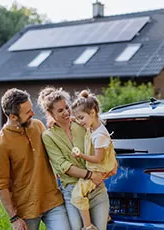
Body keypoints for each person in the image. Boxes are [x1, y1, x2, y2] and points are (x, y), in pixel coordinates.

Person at [0, 88, 70, 230]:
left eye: (31, 109)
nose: (33, 113)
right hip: (26, 210)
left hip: (52, 200)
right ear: (13, 116)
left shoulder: (38, 125)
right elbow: (1, 186)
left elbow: (55, 154)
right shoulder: (0, 145)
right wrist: (14, 218)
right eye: (27, 112)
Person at [38, 86, 116, 230]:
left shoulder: (81, 123)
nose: (66, 112)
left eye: (66, 107)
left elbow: (102, 140)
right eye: (60, 111)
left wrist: (113, 162)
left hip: (96, 188)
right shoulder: (48, 136)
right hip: (73, 191)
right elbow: (64, 166)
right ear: (50, 113)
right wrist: (91, 175)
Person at [69, 89, 117, 230]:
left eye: (81, 118)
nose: (79, 121)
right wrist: (75, 119)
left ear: (93, 113)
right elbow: (84, 123)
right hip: (100, 168)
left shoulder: (99, 135)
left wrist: (80, 156)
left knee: (77, 195)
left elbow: (97, 158)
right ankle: (103, 214)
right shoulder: (93, 127)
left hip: (98, 168)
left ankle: (88, 226)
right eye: (77, 118)